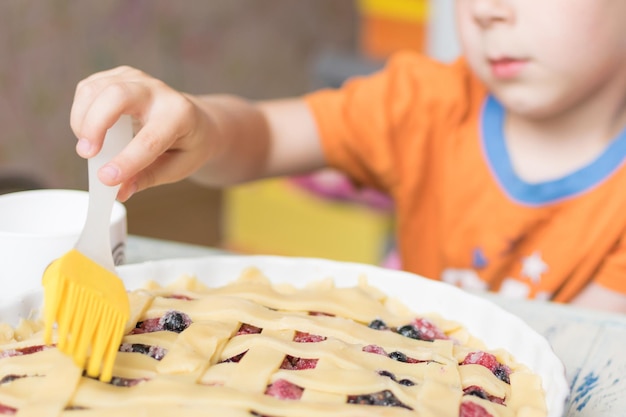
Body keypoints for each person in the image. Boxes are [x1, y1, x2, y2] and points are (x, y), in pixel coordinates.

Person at [69, 0, 626, 313]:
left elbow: (569, 355)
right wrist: (198, 124)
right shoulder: (423, 102)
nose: (485, 10)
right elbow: (261, 136)